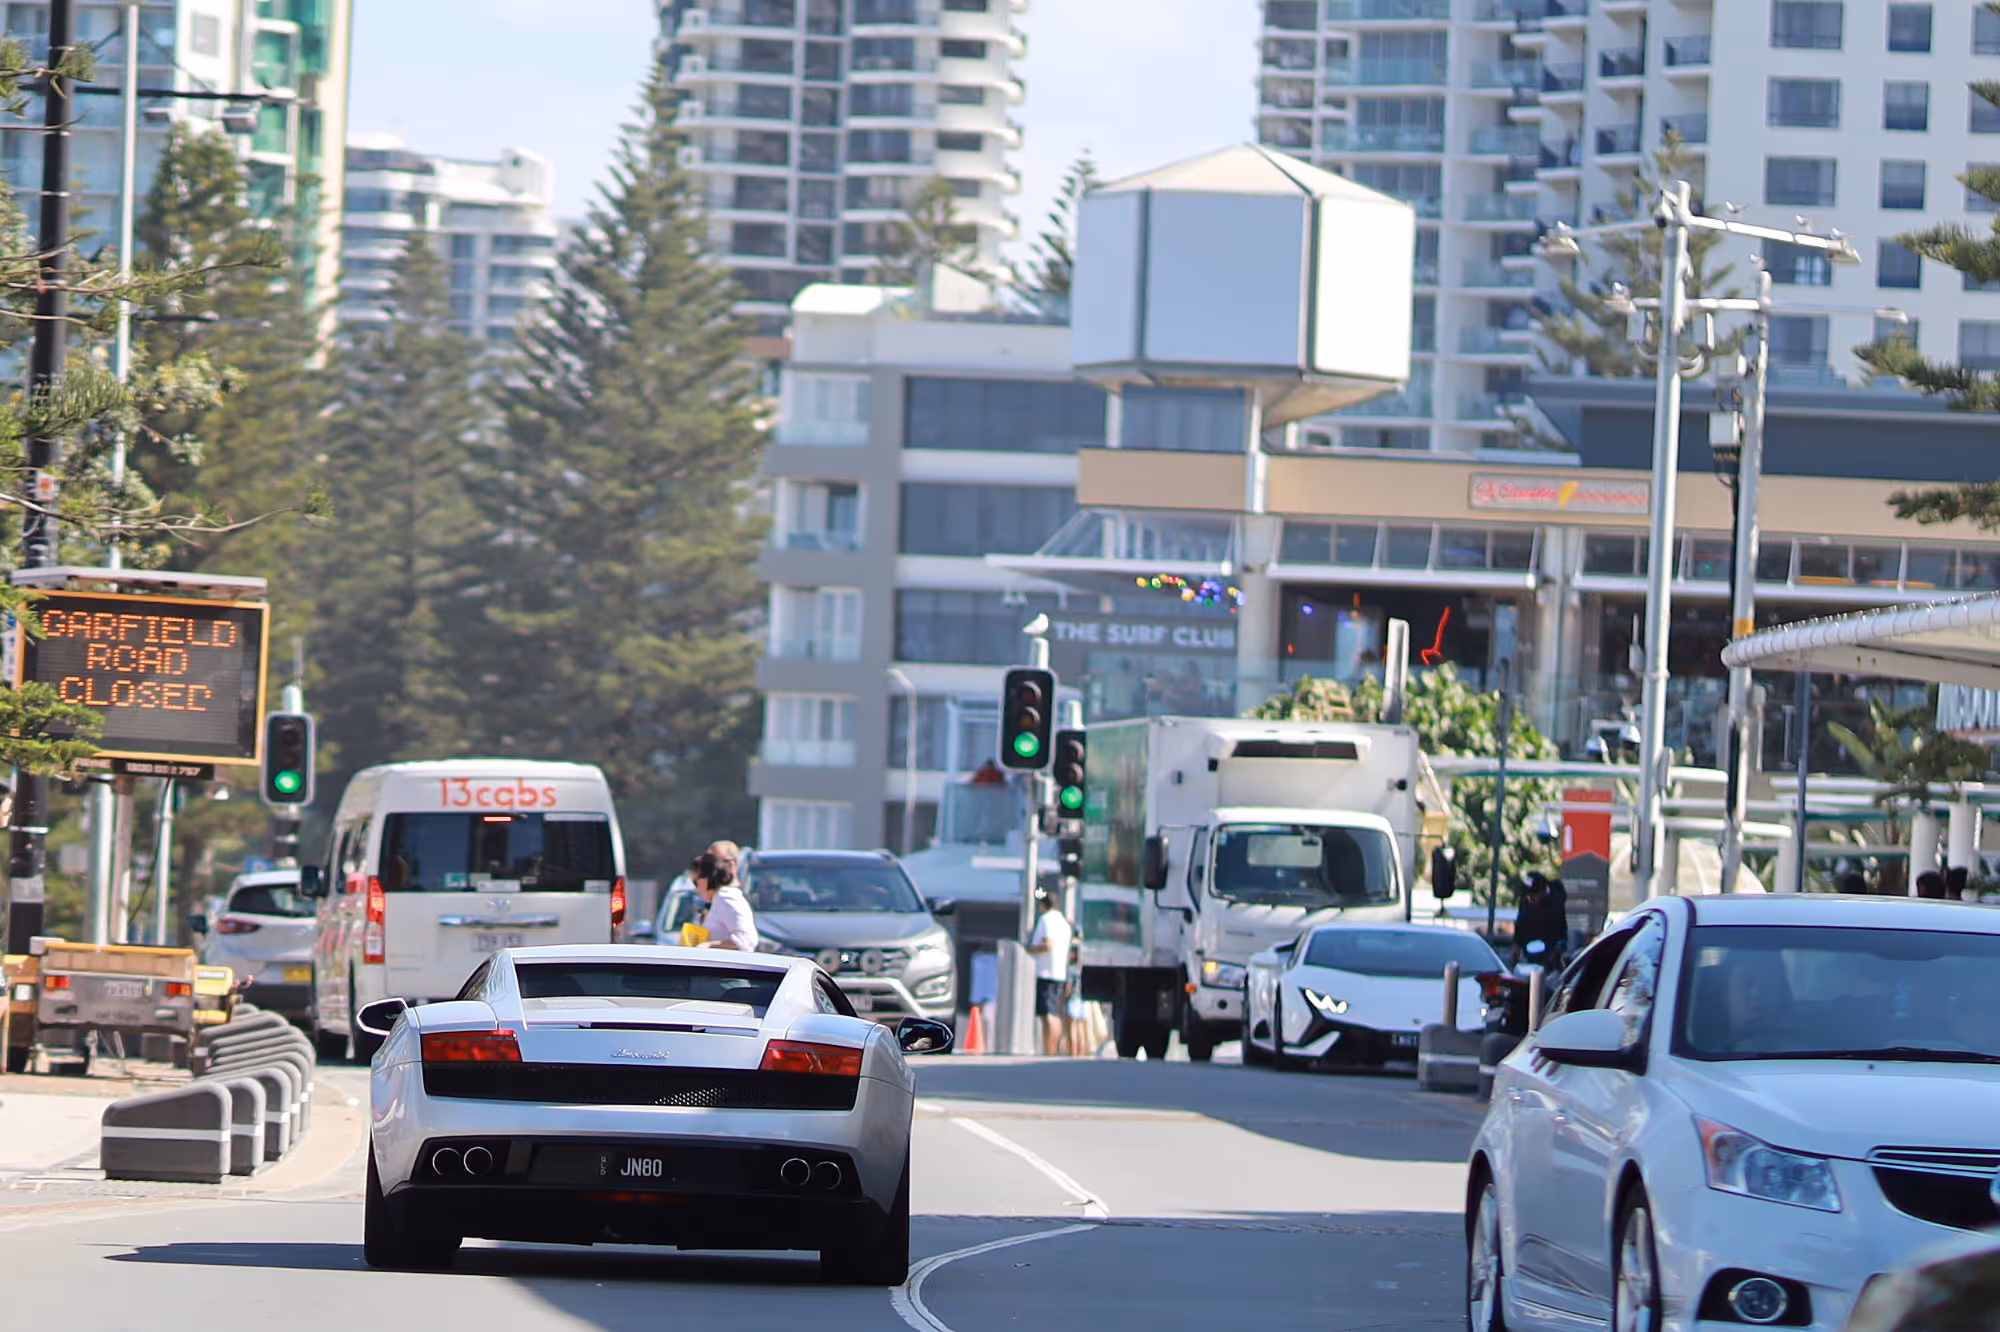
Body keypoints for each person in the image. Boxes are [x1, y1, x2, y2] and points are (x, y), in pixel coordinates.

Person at [1026, 885, 1073, 1056]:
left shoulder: (1047, 920)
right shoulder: (1064, 923)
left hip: (1047, 972)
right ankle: (1050, 1049)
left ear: (1043, 905)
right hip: (1060, 972)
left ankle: (1050, 1050)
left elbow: (1047, 944)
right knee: (1053, 1013)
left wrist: (1030, 949)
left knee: (1048, 1015)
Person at [691, 850, 758, 952]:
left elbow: (747, 941)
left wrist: (709, 945)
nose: (696, 889)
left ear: (707, 878)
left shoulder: (726, 898)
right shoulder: (718, 899)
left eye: (695, 882)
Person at [1512, 872, 1568, 969]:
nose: (1530, 898)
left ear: (1542, 891)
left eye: (1533, 895)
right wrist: (1516, 945)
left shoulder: (1556, 903)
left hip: (1550, 951)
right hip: (1529, 950)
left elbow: (1561, 929)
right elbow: (1520, 923)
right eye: (1527, 895)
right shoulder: (1525, 903)